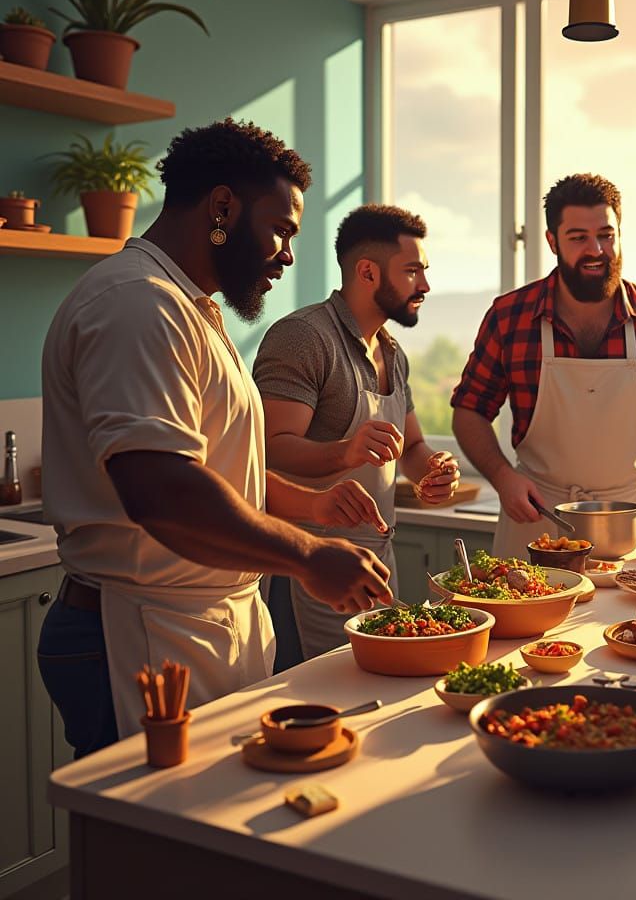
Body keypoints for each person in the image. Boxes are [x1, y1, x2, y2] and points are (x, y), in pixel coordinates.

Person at [37, 118, 393, 759]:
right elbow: (164, 491)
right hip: (137, 637)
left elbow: (213, 467)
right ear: (223, 205)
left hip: (190, 626)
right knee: (157, 849)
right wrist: (309, 555)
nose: (287, 254)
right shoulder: (136, 304)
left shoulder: (187, 305)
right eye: (282, 230)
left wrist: (310, 504)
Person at [451, 172, 636, 559]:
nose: (596, 249)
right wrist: (502, 477)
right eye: (578, 237)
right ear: (552, 241)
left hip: (628, 519)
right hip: (537, 516)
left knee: (625, 620)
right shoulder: (510, 317)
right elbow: (469, 411)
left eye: (606, 235)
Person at [254, 204, 460, 659]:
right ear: (367, 272)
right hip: (307, 570)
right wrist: (344, 453)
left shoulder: (393, 351)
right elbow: (267, 451)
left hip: (375, 564)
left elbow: (412, 448)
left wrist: (434, 469)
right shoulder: (303, 338)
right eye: (411, 272)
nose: (424, 286)